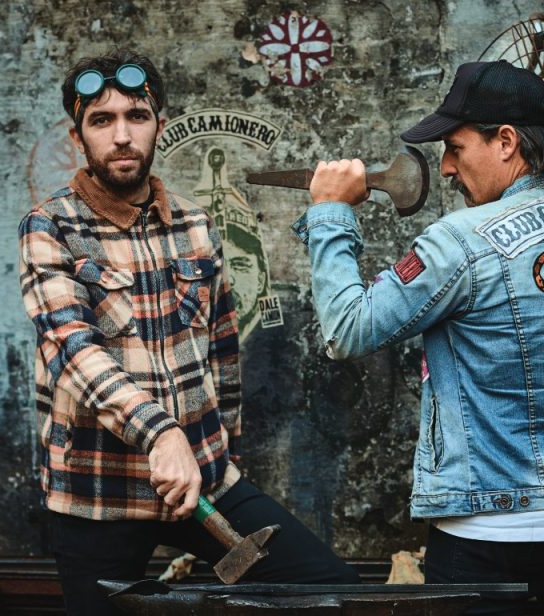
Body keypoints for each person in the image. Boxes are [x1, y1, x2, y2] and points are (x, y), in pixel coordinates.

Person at [293, 60, 544, 615]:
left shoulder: (459, 241)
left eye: (455, 148)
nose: (446, 168)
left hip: (487, 536)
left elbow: (347, 329)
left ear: (506, 142)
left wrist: (329, 213)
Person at [18, 48, 358, 616]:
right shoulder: (50, 226)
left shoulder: (196, 224)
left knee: (337, 593)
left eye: (136, 116)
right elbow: (73, 350)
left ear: (160, 125)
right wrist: (161, 434)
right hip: (98, 495)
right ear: (78, 137)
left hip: (203, 478)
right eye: (102, 121)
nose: (121, 135)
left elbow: (223, 355)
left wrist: (222, 455)